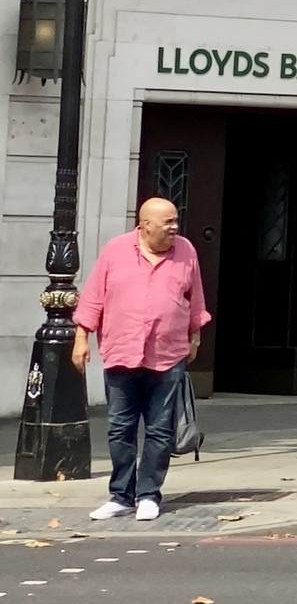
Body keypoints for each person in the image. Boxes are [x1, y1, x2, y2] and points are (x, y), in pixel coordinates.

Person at [70, 197, 210, 523]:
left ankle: (148, 495)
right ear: (145, 224)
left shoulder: (186, 251)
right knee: (120, 429)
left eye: (176, 220)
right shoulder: (116, 251)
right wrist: (81, 337)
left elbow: (195, 296)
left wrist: (195, 336)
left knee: (160, 430)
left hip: (167, 353)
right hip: (121, 351)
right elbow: (94, 296)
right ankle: (120, 495)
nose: (174, 227)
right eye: (168, 222)